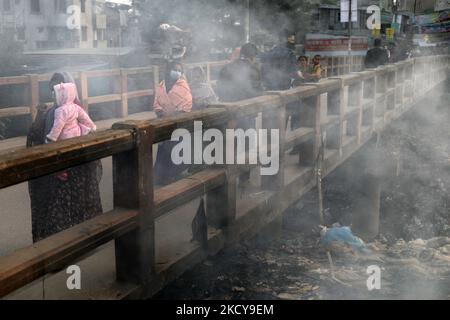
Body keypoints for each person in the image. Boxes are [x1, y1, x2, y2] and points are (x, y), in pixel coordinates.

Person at [27, 72, 103, 243]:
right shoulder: (49, 112)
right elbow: (37, 140)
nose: (55, 92)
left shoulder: (77, 110)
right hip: (56, 172)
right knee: (57, 212)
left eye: (59, 86)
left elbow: (90, 136)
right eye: (52, 89)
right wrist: (39, 118)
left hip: (77, 172)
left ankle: (83, 241)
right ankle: (59, 249)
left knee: (78, 209)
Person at [153, 61, 193, 185]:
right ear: (168, 70)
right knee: (163, 148)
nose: (177, 72)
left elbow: (187, 104)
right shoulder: (161, 85)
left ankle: (172, 174)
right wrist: (161, 113)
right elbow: (156, 103)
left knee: (175, 147)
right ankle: (160, 175)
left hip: (178, 122)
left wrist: (175, 114)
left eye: (179, 70)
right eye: (175, 69)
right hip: (164, 121)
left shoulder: (183, 86)